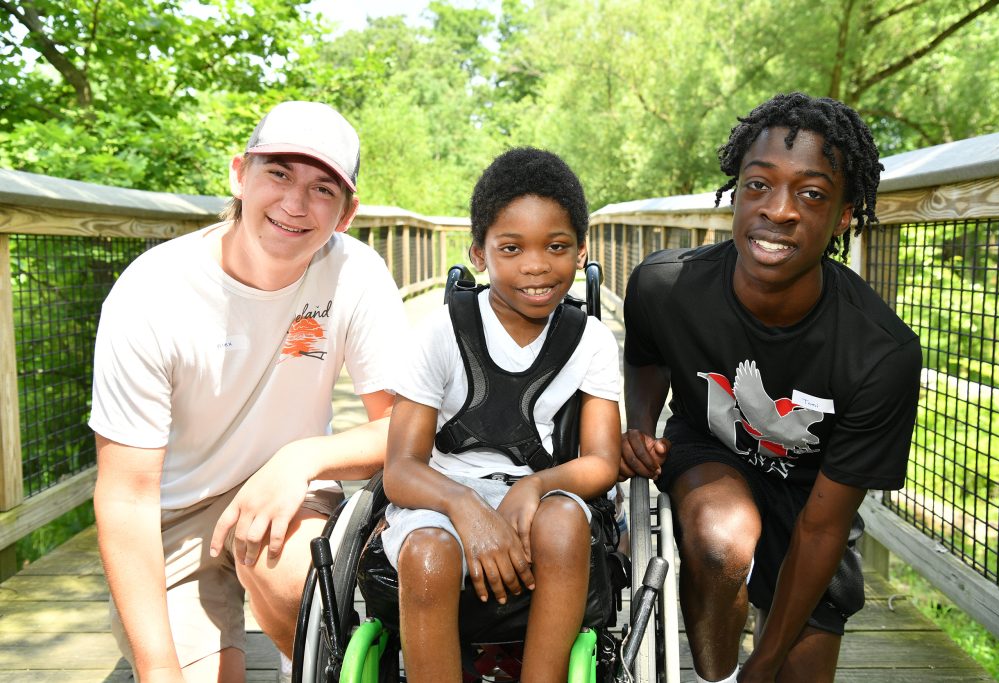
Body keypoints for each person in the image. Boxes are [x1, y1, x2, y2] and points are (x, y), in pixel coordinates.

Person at [89, 100, 407, 682]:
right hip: (171, 523)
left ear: (347, 212)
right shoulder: (149, 294)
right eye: (278, 173)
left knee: (290, 573)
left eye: (322, 188)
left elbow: (407, 431)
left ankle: (310, 663)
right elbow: (126, 495)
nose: (294, 203)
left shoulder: (356, 275)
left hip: (292, 500)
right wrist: (158, 668)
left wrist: (300, 457)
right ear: (240, 172)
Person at [620, 92, 921, 682]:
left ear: (843, 216)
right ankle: (715, 678)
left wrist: (765, 661)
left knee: (792, 667)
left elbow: (823, 526)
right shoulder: (664, 287)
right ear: (735, 194)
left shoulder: (880, 354)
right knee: (720, 541)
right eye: (758, 185)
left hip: (813, 496)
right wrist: (640, 423)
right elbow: (648, 356)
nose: (778, 210)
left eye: (811, 194)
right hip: (712, 450)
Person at [379, 147, 621, 682]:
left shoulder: (592, 342)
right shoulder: (441, 332)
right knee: (427, 553)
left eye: (556, 247)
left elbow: (603, 461)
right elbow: (399, 469)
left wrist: (534, 488)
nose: (536, 265)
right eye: (511, 248)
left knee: (561, 522)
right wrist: (465, 506)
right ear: (480, 253)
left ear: (581, 251)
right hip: (441, 493)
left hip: (537, 491)